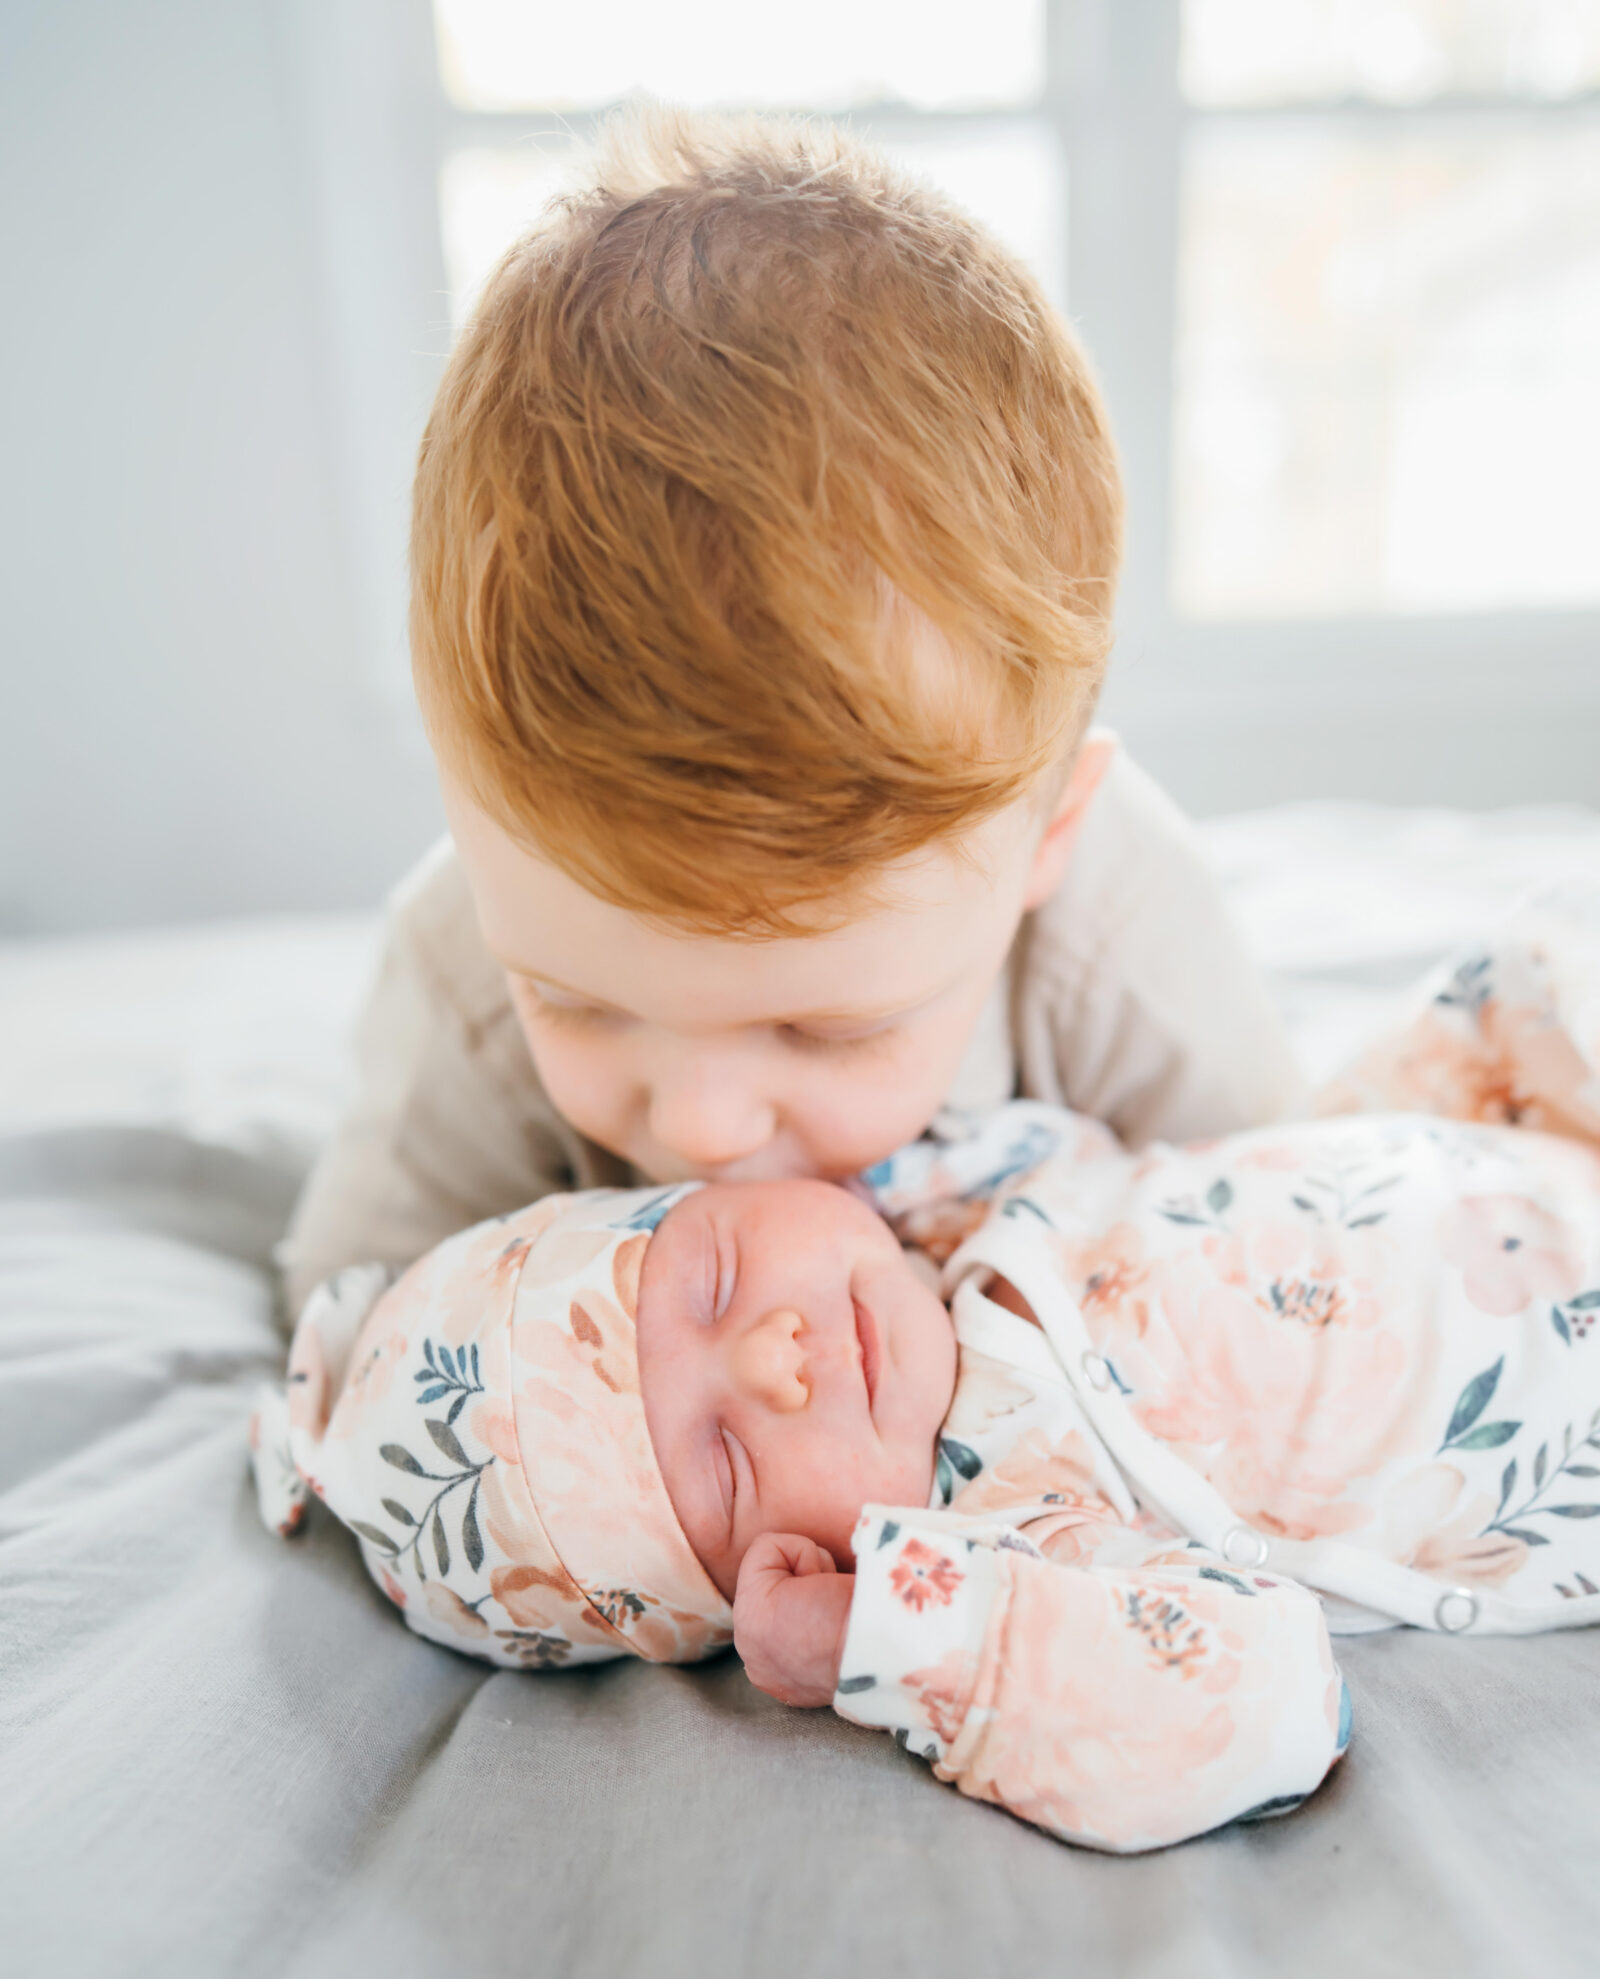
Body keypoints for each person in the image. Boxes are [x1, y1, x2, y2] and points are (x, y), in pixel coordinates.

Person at [277, 109, 1299, 1322]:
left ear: (1052, 831)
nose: (704, 1126)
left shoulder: (1116, 931)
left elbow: (1300, 1260)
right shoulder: (463, 967)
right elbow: (354, 1328)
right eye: (580, 1003)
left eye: (825, 1029)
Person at [256, 932, 1600, 1854]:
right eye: (723, 1460)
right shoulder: (1017, 1533)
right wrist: (902, 1641)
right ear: (774, 1573)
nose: (778, 1356)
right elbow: (1259, 1711)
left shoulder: (934, 1201)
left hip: (1505, 1119)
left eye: (718, 1270)